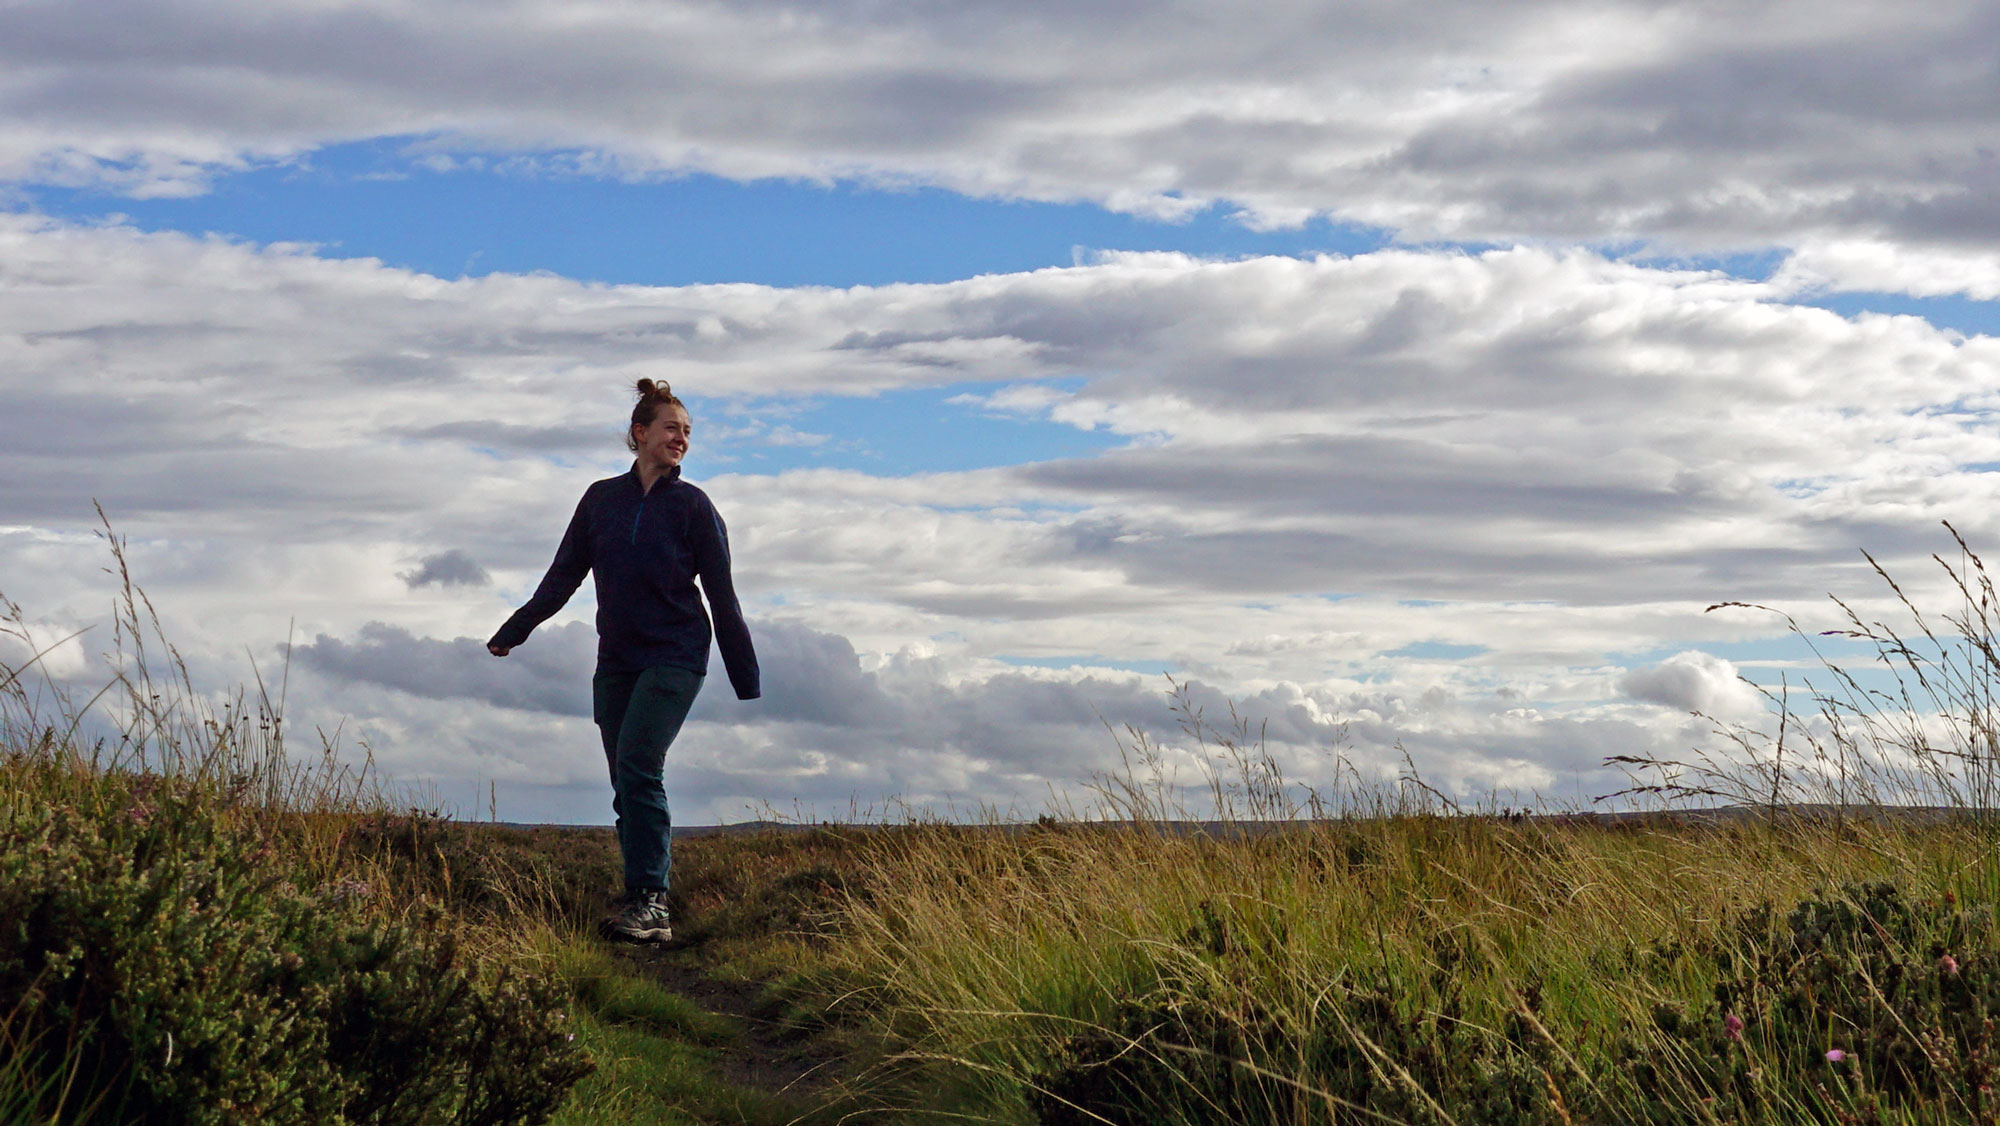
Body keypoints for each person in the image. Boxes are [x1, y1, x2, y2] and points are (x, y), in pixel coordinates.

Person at [488, 378, 759, 943]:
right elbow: (563, 575)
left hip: (676, 654)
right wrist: (515, 630)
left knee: (640, 765)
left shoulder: (693, 506)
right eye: (670, 428)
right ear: (640, 434)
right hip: (616, 659)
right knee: (624, 779)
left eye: (687, 431)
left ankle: (652, 903)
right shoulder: (600, 500)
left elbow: (722, 593)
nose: (680, 438)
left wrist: (744, 676)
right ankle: (641, 895)